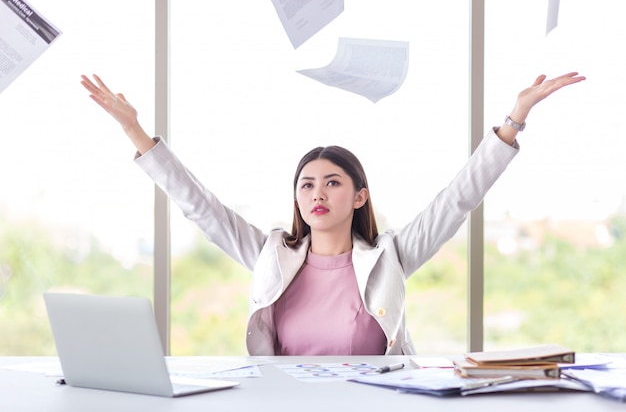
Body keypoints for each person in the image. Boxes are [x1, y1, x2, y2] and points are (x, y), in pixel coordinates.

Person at [80, 72, 585, 356]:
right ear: (296, 199)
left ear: (360, 197)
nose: (317, 193)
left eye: (333, 182)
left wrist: (513, 120)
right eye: (306, 185)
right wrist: (134, 130)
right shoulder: (269, 254)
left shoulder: (392, 255)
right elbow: (198, 204)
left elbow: (457, 199)